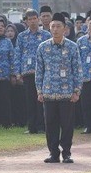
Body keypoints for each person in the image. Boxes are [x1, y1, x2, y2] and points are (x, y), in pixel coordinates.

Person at [34, 17, 83, 163]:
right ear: (49, 28)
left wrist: (77, 91)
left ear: (65, 29)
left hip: (67, 93)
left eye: (58, 26)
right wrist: (39, 91)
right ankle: (53, 153)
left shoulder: (72, 47)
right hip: (48, 93)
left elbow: (77, 69)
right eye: (53, 26)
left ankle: (66, 153)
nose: (55, 29)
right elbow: (39, 71)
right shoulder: (43, 47)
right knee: (50, 125)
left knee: (67, 125)